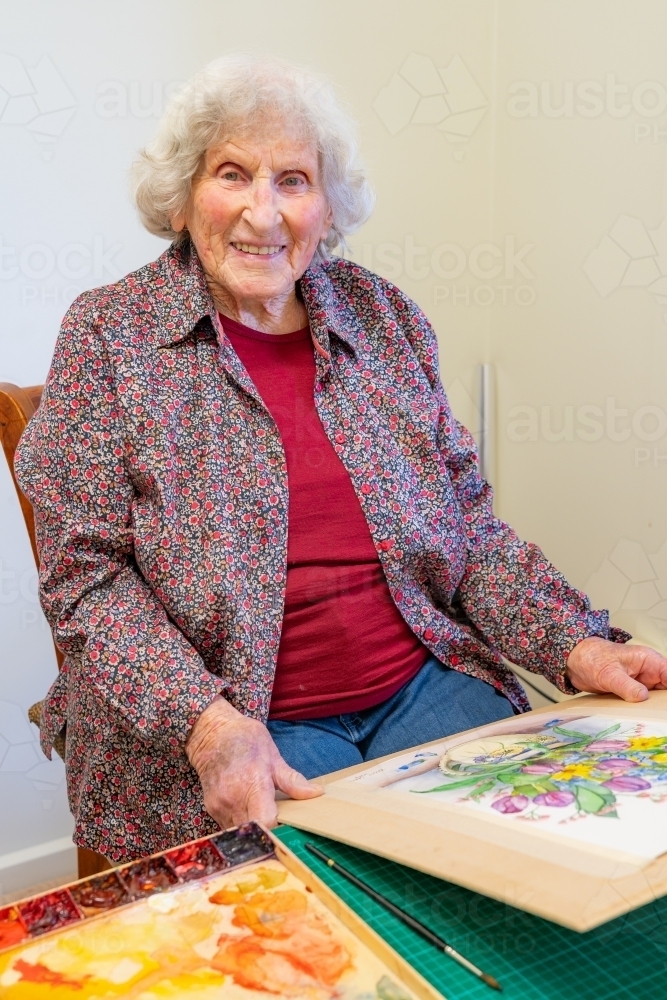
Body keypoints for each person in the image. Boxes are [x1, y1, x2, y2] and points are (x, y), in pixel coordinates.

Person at [16, 54, 667, 864]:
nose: (264, 212)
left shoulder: (382, 317)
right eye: (233, 174)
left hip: (421, 686)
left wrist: (575, 644)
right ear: (184, 196)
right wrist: (207, 722)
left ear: (326, 205)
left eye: (293, 179)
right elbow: (84, 579)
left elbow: (468, 532)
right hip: (239, 720)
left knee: (561, 852)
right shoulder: (110, 336)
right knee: (348, 928)